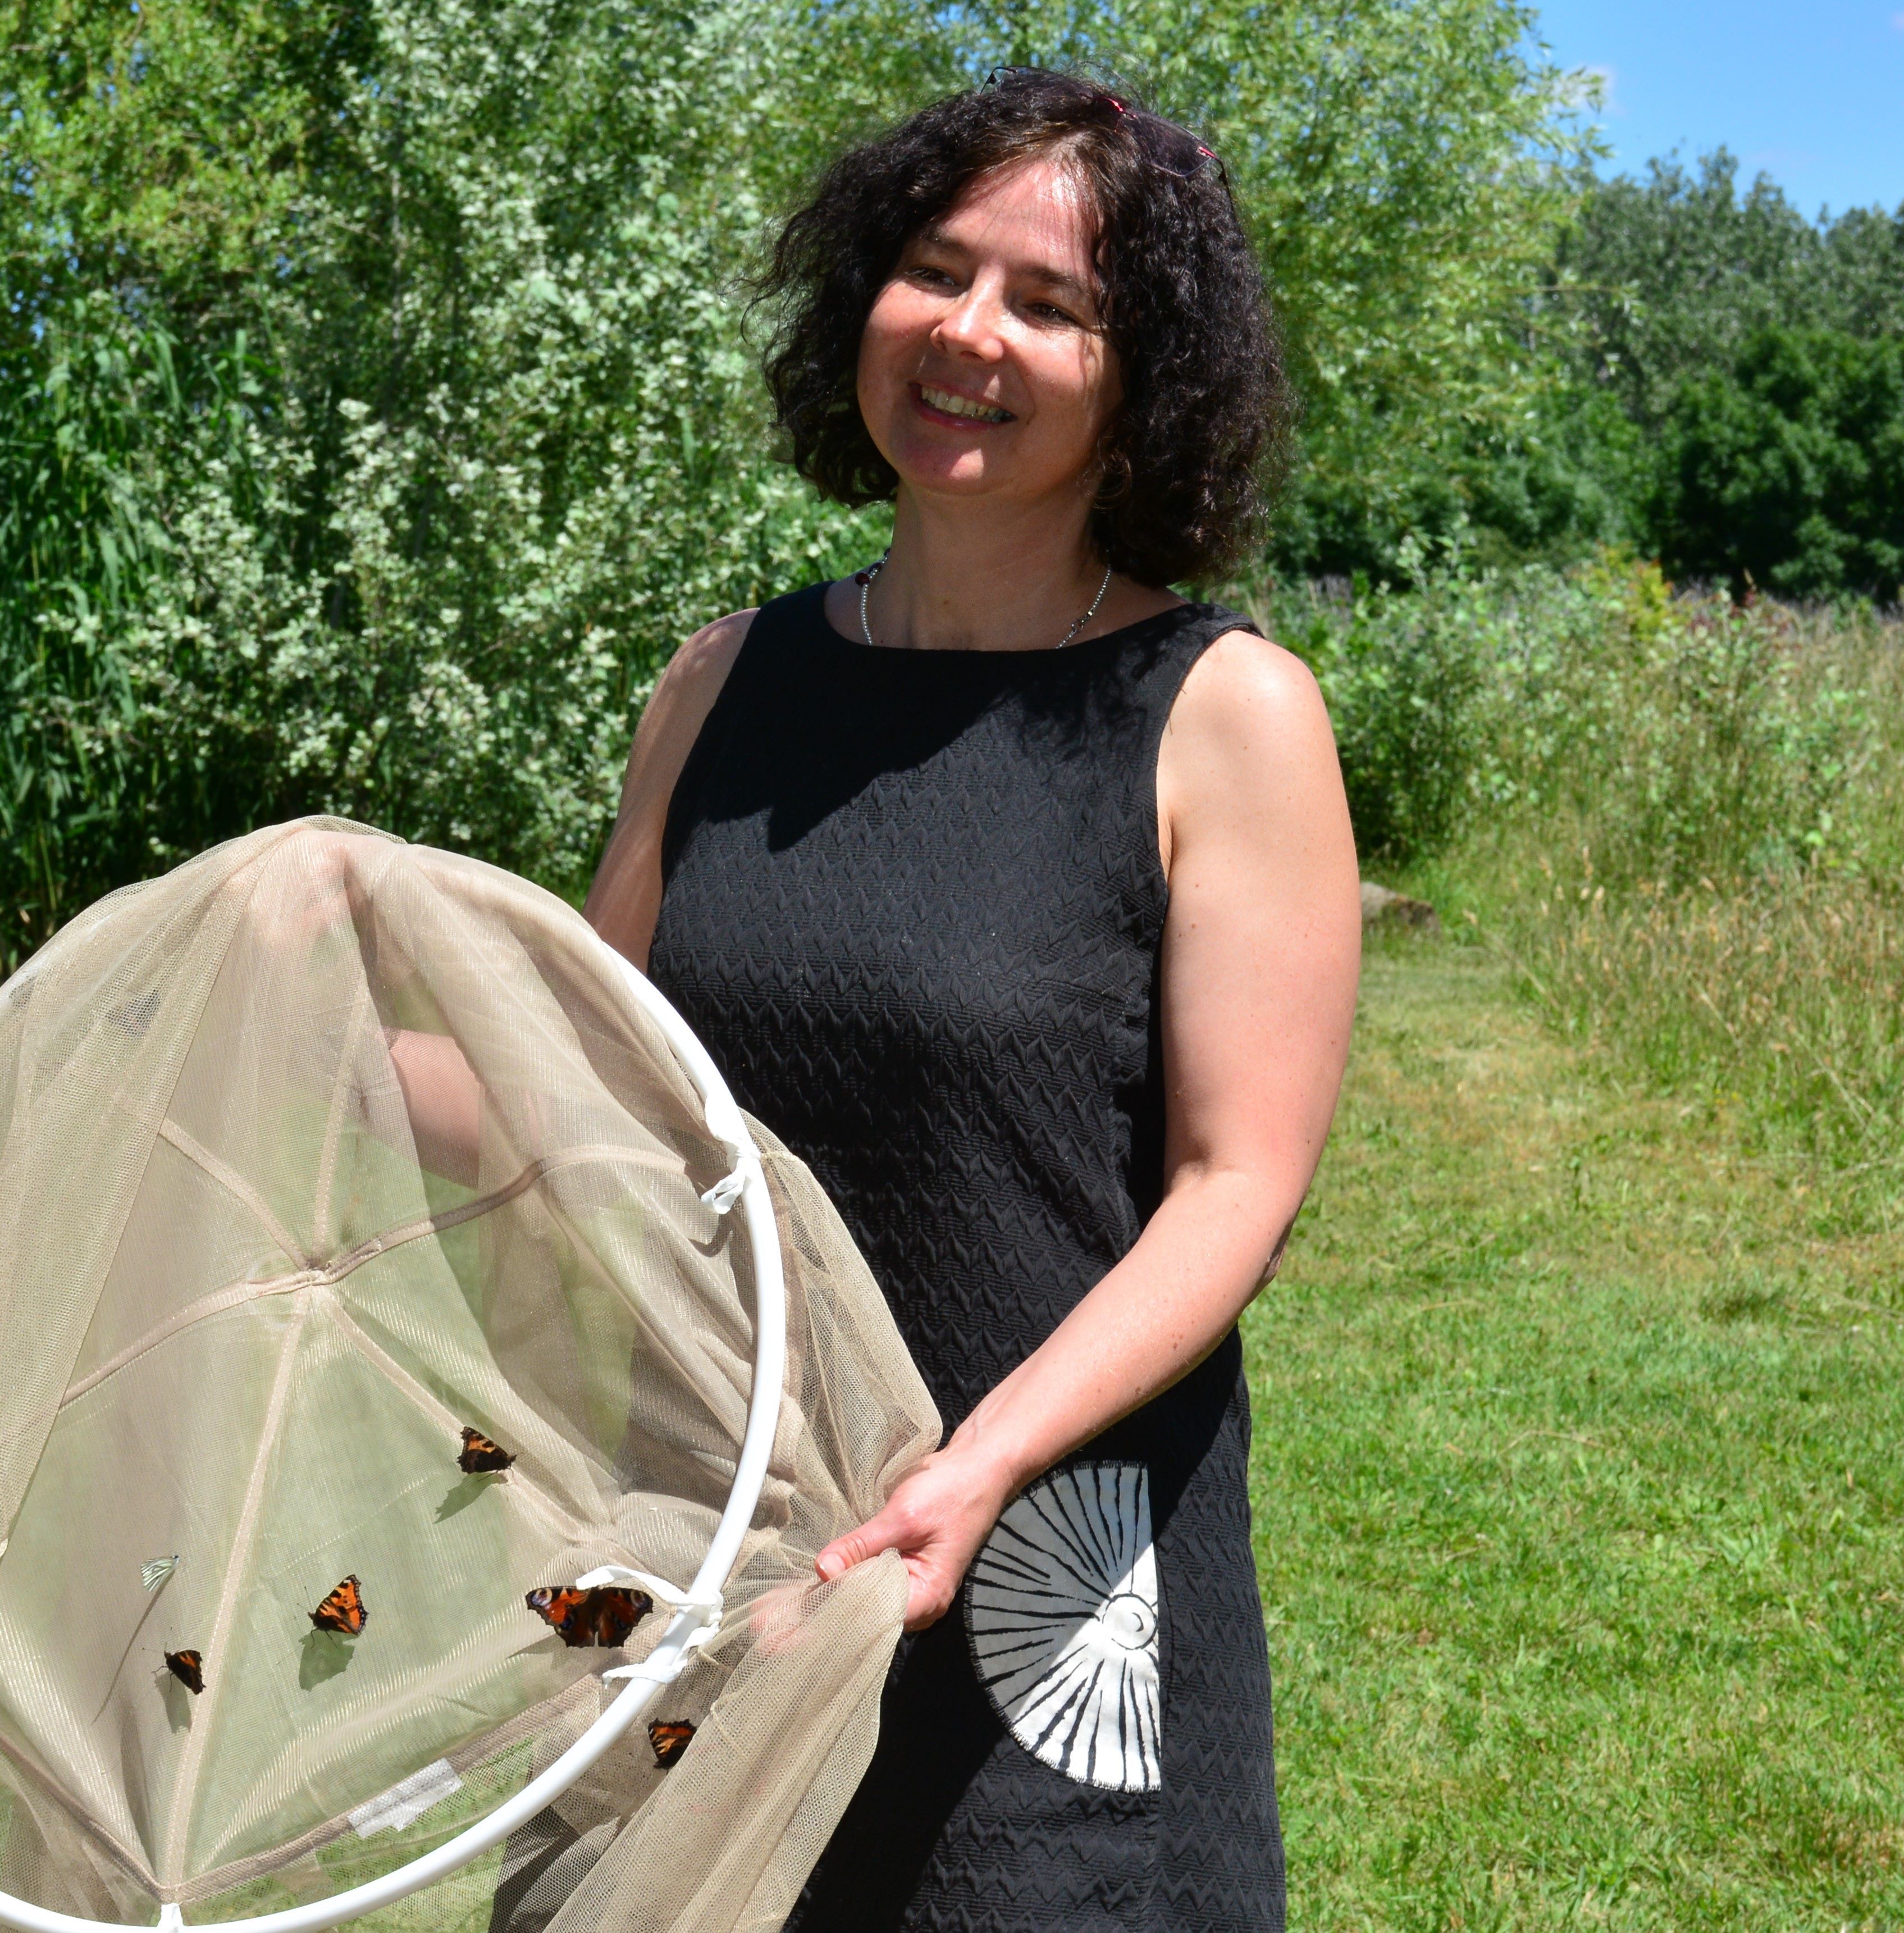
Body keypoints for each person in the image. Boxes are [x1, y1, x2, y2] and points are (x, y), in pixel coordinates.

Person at [580, 67, 1359, 1933]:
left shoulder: (1221, 709)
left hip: (1038, 1575)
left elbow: (1235, 1185)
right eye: (937, 270)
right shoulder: (721, 684)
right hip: (725, 1544)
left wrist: (976, 1462)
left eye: (1052, 302)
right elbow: (593, 1085)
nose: (972, 334)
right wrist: (306, 979)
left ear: (1140, 376)